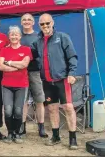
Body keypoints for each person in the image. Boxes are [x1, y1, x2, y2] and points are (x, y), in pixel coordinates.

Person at [31, 13, 78, 150]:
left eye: (47, 23)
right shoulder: (37, 42)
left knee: (68, 108)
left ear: (52, 23)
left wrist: (72, 73)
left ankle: (72, 138)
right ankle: (56, 136)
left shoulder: (62, 37)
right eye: (42, 24)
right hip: (46, 81)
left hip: (62, 79)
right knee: (51, 109)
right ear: (39, 25)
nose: (45, 26)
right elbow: (30, 58)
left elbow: (72, 56)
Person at [0, 26, 32, 144]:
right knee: (8, 110)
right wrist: (16, 68)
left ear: (20, 36)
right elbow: (0, 66)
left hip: (21, 85)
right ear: (9, 36)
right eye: (12, 34)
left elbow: (24, 64)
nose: (14, 37)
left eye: (16, 34)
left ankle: (17, 133)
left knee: (18, 111)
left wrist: (10, 62)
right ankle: (10, 133)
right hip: (7, 84)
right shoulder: (4, 50)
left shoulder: (26, 49)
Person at [19, 13, 48, 138]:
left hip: (35, 72)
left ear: (33, 22)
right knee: (23, 101)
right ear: (21, 22)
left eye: (29, 20)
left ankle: (41, 127)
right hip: (20, 73)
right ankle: (22, 127)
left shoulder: (38, 36)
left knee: (39, 100)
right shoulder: (17, 36)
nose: (26, 21)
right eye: (24, 19)